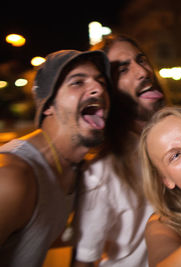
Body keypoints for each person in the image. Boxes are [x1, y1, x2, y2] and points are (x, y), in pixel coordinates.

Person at [0, 49, 111, 267]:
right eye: (77, 82)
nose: (98, 88)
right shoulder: (11, 177)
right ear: (48, 105)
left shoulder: (75, 169)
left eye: (101, 82)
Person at [72, 34, 166, 267]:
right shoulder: (100, 171)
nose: (143, 72)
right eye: (123, 70)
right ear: (107, 90)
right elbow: (83, 260)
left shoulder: (178, 140)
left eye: (141, 60)